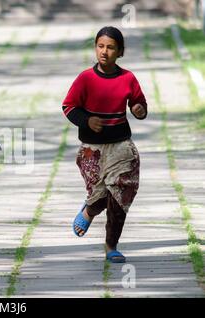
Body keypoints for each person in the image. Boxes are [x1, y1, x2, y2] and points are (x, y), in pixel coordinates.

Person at [62, 26, 148, 263]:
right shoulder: (85, 78)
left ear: (120, 51)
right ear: (95, 48)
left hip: (120, 145)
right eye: (100, 46)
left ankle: (111, 245)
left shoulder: (127, 78)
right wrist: (87, 120)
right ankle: (90, 210)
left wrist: (139, 110)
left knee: (120, 191)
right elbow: (68, 107)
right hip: (92, 149)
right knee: (101, 193)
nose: (104, 51)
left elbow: (139, 103)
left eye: (110, 47)